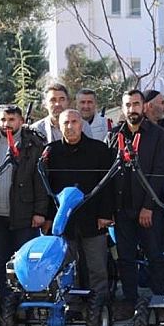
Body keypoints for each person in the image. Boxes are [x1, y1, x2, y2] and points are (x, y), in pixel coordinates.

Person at [105, 90, 164, 320]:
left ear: (143, 106)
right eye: (128, 105)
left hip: (149, 208)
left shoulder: (159, 135)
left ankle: (160, 301)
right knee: (125, 258)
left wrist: (148, 206)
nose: (132, 109)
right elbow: (107, 174)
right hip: (122, 208)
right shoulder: (113, 135)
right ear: (123, 108)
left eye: (136, 104)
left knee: (155, 256)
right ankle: (130, 302)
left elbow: (160, 172)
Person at [0, 105, 48, 300]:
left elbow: (40, 181)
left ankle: (25, 299)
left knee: (24, 260)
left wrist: (40, 212)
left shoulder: (33, 145)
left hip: (24, 216)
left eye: (11, 119)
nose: (7, 124)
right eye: (3, 119)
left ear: (21, 121)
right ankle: (4, 299)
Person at [45, 109, 114, 302]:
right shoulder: (51, 152)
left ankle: (99, 303)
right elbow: (47, 188)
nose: (70, 126)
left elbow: (108, 185)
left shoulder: (99, 150)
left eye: (74, 122)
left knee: (97, 266)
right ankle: (70, 305)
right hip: (63, 221)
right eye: (65, 123)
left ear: (81, 124)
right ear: (59, 126)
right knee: (65, 266)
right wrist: (49, 218)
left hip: (93, 218)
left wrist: (105, 214)